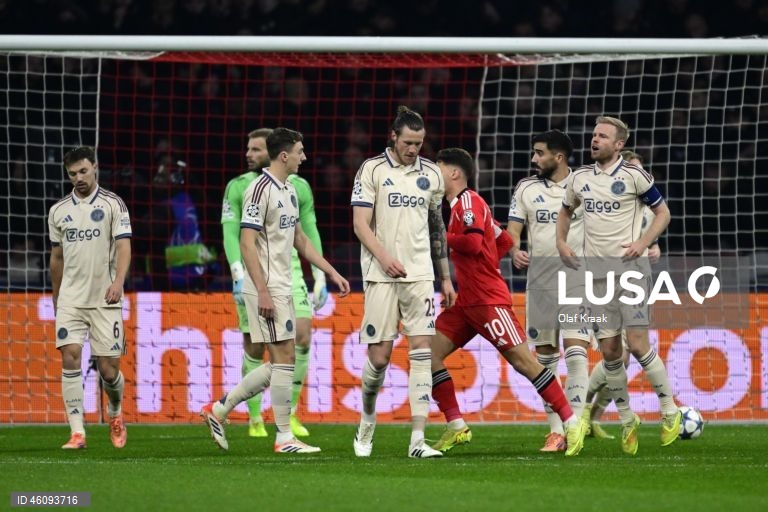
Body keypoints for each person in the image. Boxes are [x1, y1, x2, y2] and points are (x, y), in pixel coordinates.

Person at [428, 147, 588, 457]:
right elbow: (502, 241)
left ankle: (570, 422)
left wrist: (439, 238)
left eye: (438, 169)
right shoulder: (462, 206)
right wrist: (487, 255)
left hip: (488, 302)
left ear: (454, 173)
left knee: (525, 363)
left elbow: (474, 243)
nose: (433, 175)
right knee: (425, 354)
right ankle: (456, 424)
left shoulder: (467, 202)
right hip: (466, 304)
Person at [201, 127, 350, 453]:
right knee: (283, 358)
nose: (304, 157)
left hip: (283, 284)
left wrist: (329, 271)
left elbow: (300, 239)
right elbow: (246, 242)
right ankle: (282, 437)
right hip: (265, 287)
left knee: (284, 361)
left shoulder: (290, 190)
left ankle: (220, 409)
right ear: (284, 155)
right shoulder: (257, 191)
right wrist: (263, 291)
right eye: (300, 151)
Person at [556, 116, 679, 455]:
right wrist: (562, 244)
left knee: (637, 345)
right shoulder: (579, 178)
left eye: (603, 136)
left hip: (632, 273)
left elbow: (663, 214)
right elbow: (565, 212)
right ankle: (627, 419)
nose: (595, 140)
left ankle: (670, 411)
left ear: (618, 144)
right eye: (594, 134)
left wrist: (642, 242)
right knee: (610, 352)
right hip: (596, 278)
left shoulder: (634, 176)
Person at [350, 106, 456, 459]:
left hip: (420, 275)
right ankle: (367, 419)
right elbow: (360, 224)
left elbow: (437, 226)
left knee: (422, 351)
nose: (414, 149)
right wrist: (384, 257)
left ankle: (417, 439)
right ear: (393, 137)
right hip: (381, 275)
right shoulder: (372, 169)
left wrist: (445, 277)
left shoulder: (432, 175)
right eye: (408, 142)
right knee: (379, 358)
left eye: (419, 143)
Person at [221, 128, 328, 439]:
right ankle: (254, 417)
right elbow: (238, 237)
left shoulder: (296, 189)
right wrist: (239, 275)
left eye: (255, 149)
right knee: (262, 350)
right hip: (260, 277)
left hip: (289, 275)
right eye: (249, 149)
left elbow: (305, 234)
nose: (249, 155)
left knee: (297, 344)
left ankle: (285, 420)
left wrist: (323, 274)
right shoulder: (244, 188)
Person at [506, 130, 592, 452]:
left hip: (577, 279)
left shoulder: (584, 184)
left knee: (576, 349)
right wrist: (514, 251)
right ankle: (557, 431)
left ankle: (576, 425)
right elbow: (513, 230)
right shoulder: (526, 188)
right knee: (544, 357)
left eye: (539, 153)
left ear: (558, 157)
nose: (533, 159)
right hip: (540, 283)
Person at [48, 146, 132, 449]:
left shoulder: (113, 204)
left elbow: (124, 246)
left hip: (105, 299)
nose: (78, 178)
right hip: (71, 299)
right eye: (72, 174)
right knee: (69, 355)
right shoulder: (58, 211)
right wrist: (58, 299)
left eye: (83, 171)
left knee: (110, 371)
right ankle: (77, 431)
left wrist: (118, 282)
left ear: (94, 167)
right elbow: (56, 258)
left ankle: (115, 410)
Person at [583, 150, 664, 440]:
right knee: (618, 355)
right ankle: (584, 411)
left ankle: (590, 417)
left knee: (623, 358)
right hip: (606, 281)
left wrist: (653, 248)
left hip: (636, 282)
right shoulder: (603, 202)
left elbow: (650, 240)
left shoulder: (643, 210)